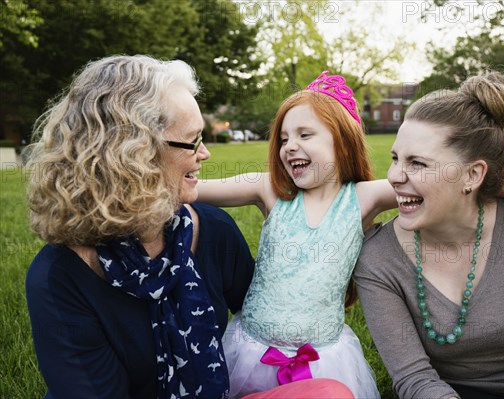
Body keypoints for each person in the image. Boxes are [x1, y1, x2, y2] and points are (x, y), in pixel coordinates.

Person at [193, 71, 504, 398]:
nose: (289, 146)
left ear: (342, 140)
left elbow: (454, 179)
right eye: (283, 138)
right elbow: (194, 189)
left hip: (321, 355)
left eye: (305, 135)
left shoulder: (362, 198)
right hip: (252, 346)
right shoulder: (271, 191)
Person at [24, 55, 354, 399]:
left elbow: (266, 308)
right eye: (193, 140)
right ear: (134, 155)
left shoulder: (211, 230)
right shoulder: (60, 276)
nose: (206, 153)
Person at [354, 71, 504, 399]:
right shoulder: (378, 257)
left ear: (473, 174)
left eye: (417, 163)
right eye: (396, 159)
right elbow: (414, 378)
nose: (394, 177)